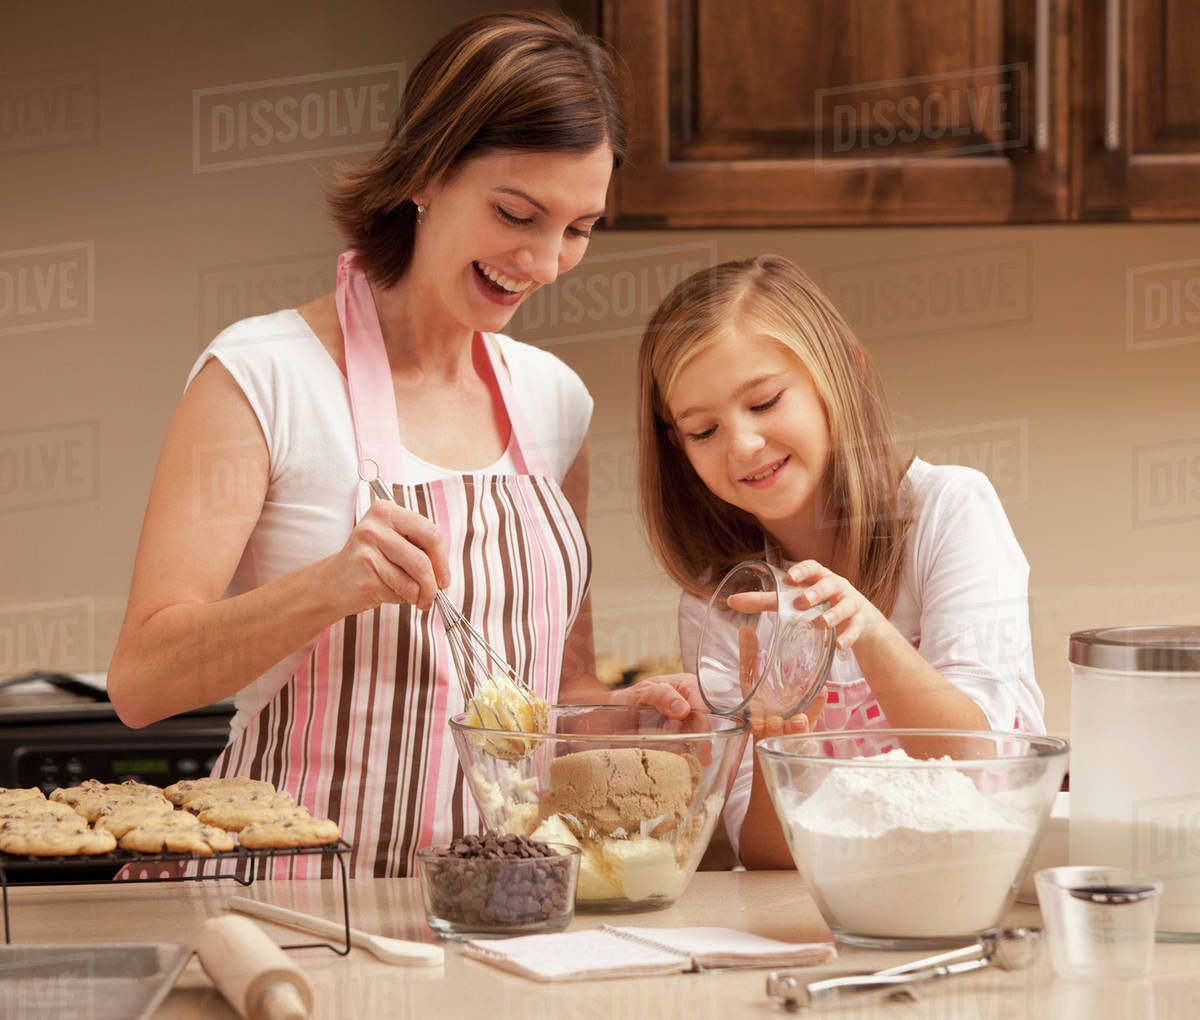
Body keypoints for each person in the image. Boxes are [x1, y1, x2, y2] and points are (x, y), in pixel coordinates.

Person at [107, 11, 692, 878]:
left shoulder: (553, 402)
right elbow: (142, 681)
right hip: (290, 905)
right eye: (516, 212)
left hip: (496, 906)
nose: (543, 262)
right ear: (426, 171)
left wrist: (624, 716)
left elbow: (551, 699)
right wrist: (330, 585)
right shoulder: (262, 376)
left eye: (578, 228)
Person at [636, 255, 1046, 869]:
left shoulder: (948, 512)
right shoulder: (719, 597)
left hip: (970, 888)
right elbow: (765, 853)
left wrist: (871, 631)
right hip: (831, 912)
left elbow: (977, 760)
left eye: (766, 401)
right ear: (679, 447)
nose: (742, 444)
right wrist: (781, 745)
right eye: (703, 431)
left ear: (843, 375)